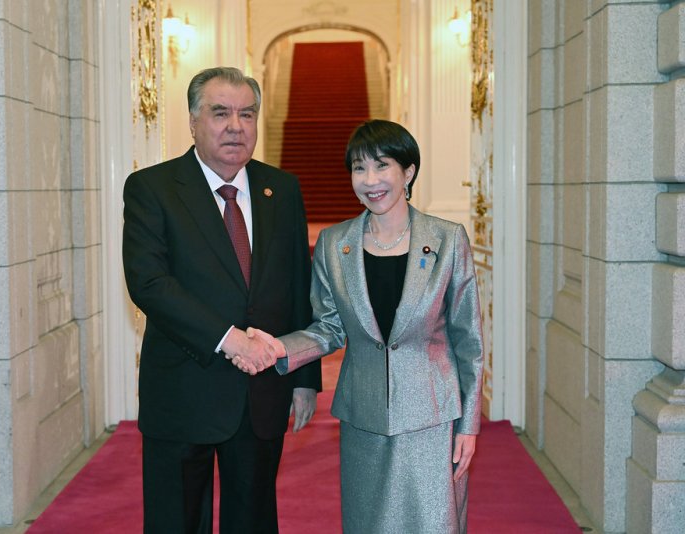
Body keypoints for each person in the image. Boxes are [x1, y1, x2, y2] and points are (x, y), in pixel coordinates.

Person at [237, 119, 484, 533]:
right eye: (358, 168)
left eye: (382, 166)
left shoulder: (447, 239)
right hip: (363, 418)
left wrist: (469, 426)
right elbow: (329, 327)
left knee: (433, 524)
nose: (370, 180)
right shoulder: (335, 244)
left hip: (432, 418)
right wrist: (280, 348)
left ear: (408, 172)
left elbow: (469, 342)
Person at [122, 66, 322, 534]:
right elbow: (149, 283)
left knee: (253, 519)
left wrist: (304, 377)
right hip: (183, 389)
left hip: (262, 393)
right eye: (220, 113)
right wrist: (229, 338)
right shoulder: (152, 188)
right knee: (176, 522)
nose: (236, 126)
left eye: (247, 114)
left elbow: (299, 287)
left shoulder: (282, 189)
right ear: (193, 121)